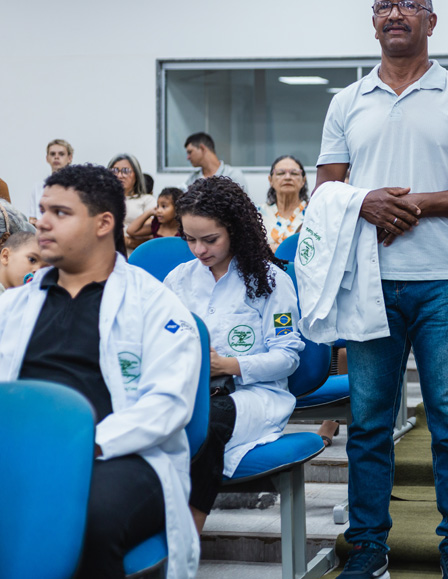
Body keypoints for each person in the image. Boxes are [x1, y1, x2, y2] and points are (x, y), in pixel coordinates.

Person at [315, 0, 448, 579]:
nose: (396, 13)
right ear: (373, 22)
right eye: (385, 6)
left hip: (446, 278)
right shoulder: (347, 101)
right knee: (368, 421)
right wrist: (365, 202)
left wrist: (406, 205)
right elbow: (326, 191)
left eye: (409, 5)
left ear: (431, 21)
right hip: (368, 279)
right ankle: (368, 545)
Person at [0, 164, 201, 578]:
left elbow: (168, 404)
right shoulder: (12, 306)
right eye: (43, 210)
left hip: (118, 455)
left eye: (60, 212)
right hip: (21, 450)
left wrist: (80, 446)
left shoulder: (155, 304)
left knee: (83, 518)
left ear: (103, 223)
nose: (42, 222)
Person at [164, 176, 303, 534]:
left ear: (235, 230)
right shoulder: (178, 280)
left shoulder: (269, 281)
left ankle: (185, 539)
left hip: (253, 395)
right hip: (190, 391)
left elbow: (288, 357)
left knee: (205, 426)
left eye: (210, 240)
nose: (199, 250)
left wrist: (228, 366)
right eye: (190, 239)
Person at [259, 155, 309, 253]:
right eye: (280, 173)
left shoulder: (313, 213)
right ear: (270, 180)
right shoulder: (257, 213)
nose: (287, 177)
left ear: (303, 180)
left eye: (294, 173)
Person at [107, 153, 155, 253]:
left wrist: (127, 241)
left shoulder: (147, 200)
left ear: (136, 175)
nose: (120, 176)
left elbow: (152, 232)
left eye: (125, 171)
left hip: (135, 254)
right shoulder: (103, 199)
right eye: (115, 171)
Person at [183, 132, 249, 192]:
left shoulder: (233, 175)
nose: (188, 157)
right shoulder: (193, 178)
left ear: (202, 148)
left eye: (190, 152)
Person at [28, 139, 73, 225]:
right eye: (52, 154)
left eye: (61, 154)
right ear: (47, 158)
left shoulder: (75, 186)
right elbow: (32, 218)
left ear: (69, 158)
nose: (56, 157)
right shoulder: (38, 187)